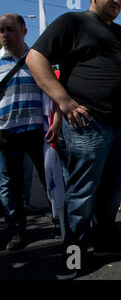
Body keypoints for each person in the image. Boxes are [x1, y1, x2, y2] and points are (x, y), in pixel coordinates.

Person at [26, 0, 121, 279]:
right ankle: (72, 256)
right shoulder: (72, 22)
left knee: (113, 192)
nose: (117, 1)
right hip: (89, 124)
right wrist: (63, 101)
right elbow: (35, 58)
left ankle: (105, 243)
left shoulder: (120, 32)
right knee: (82, 194)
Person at [0, 13, 60, 251]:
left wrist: (56, 123)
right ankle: (16, 231)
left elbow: (55, 89)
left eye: (10, 30)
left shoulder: (38, 60)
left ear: (25, 32)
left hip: (39, 132)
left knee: (51, 179)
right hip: (6, 134)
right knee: (9, 184)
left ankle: (58, 220)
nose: (5, 35)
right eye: (2, 31)